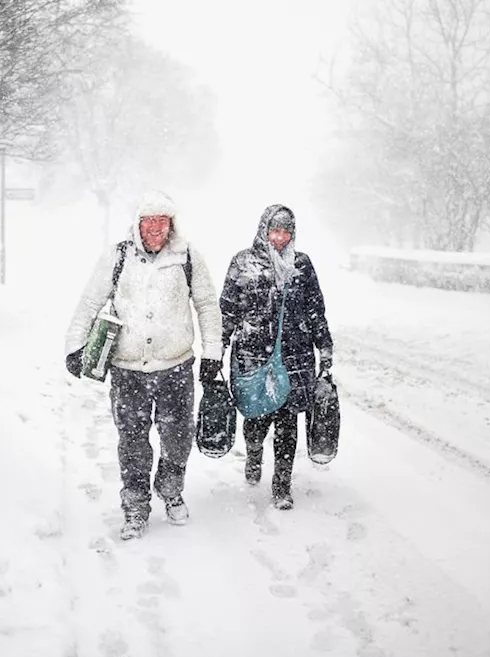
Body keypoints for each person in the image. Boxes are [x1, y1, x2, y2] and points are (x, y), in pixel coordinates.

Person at [65, 190, 224, 540]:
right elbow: (90, 300)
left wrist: (213, 352)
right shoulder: (118, 256)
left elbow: (208, 306)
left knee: (178, 438)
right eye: (149, 220)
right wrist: (75, 346)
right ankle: (135, 505)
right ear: (139, 224)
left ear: (171, 224)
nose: (155, 228)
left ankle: (170, 489)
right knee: (133, 442)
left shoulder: (188, 257)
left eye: (162, 221)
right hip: (128, 372)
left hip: (176, 369)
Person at [219, 204, 333, 510]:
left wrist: (325, 348)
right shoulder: (242, 263)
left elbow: (315, 311)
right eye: (274, 231)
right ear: (263, 230)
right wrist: (215, 351)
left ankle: (282, 484)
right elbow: (227, 311)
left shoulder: (302, 265)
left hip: (295, 358)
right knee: (256, 419)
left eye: (286, 232)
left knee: (287, 423)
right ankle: (254, 453)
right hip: (253, 358)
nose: (280, 238)